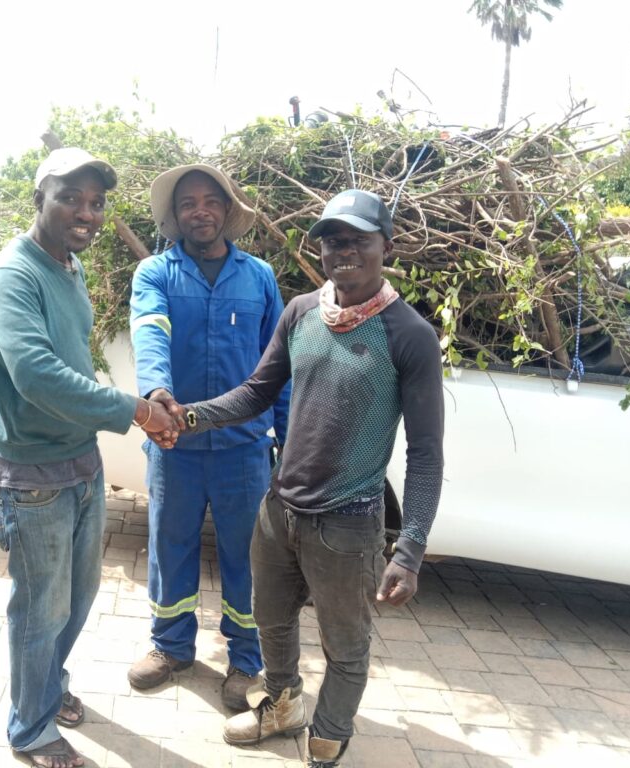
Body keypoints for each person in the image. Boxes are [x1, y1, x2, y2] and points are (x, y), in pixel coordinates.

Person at [178, 189, 444, 767]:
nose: (343, 250)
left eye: (358, 240)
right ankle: (282, 707)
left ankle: (329, 737)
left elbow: (426, 453)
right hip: (279, 510)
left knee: (345, 644)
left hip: (348, 524)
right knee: (271, 622)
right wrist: (189, 417)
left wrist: (410, 550)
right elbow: (256, 392)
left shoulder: (409, 335)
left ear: (386, 247)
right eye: (332, 240)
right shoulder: (301, 312)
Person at [0, 147, 180, 768]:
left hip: (81, 462)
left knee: (76, 600)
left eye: (96, 202)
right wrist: (137, 410)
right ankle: (30, 730)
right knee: (40, 609)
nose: (86, 212)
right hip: (34, 478)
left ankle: (48, 689)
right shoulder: (13, 274)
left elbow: (44, 358)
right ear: (39, 200)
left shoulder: (69, 265)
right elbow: (35, 373)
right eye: (70, 198)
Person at [128, 164, 290, 710]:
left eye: (210, 201)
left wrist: (288, 441)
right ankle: (171, 647)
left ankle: (246, 659)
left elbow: (278, 365)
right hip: (174, 445)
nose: (200, 211)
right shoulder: (155, 273)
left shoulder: (259, 277)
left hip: (244, 449)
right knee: (170, 546)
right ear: (176, 217)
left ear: (227, 210)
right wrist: (157, 392)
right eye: (188, 203)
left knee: (250, 556)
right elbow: (150, 330)